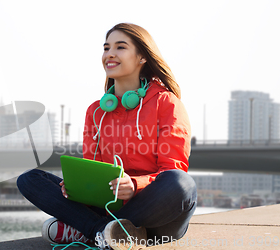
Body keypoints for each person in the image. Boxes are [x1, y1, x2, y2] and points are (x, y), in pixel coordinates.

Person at [17, 23, 197, 249]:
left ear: (142, 57)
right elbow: (93, 168)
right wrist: (76, 187)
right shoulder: (96, 111)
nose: (109, 54)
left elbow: (173, 168)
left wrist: (133, 185)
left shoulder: (166, 103)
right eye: (106, 48)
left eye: (120, 47)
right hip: (109, 204)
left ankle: (89, 229)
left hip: (155, 213)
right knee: (29, 179)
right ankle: (105, 232)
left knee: (181, 183)